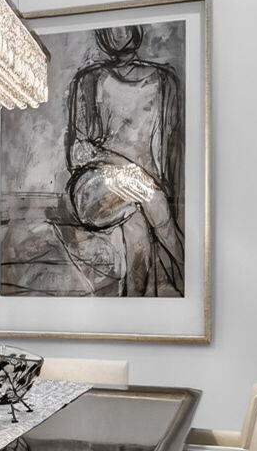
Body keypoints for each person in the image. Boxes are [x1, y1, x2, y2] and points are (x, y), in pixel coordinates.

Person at [62, 24, 185, 297]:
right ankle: (183, 263)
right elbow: (78, 153)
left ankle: (132, 306)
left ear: (135, 29)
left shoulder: (164, 80)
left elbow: (169, 152)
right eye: (111, 29)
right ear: (102, 35)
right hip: (97, 187)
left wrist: (147, 180)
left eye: (123, 27)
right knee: (137, 184)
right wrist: (126, 167)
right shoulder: (89, 79)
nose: (117, 34)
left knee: (138, 231)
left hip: (142, 195)